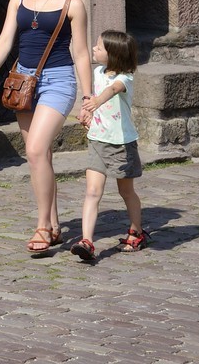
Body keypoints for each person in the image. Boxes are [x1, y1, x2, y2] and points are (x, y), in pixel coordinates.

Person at [0, 0, 93, 255]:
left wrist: (88, 97)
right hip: (22, 82)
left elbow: (82, 54)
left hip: (58, 81)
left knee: (37, 149)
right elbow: (4, 41)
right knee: (39, 156)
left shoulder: (72, 5)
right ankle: (54, 225)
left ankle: (41, 225)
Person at [70, 29, 147, 261]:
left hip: (121, 144)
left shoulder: (125, 79)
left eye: (99, 47)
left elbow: (111, 91)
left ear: (113, 55)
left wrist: (95, 102)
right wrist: (88, 113)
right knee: (92, 192)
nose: (94, 49)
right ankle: (87, 241)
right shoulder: (97, 71)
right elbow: (97, 98)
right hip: (97, 141)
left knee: (126, 191)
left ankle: (136, 231)